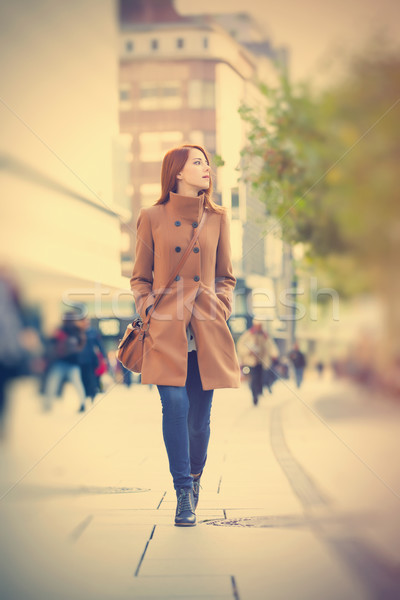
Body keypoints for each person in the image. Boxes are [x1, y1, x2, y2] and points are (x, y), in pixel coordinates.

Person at [130, 144, 241, 527]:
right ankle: (182, 493)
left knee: (199, 418)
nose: (207, 167)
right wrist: (149, 309)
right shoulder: (152, 216)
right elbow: (140, 278)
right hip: (166, 330)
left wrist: (220, 305)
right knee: (174, 408)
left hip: (206, 329)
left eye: (207, 162)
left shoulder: (218, 218)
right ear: (177, 172)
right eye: (198, 162)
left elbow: (226, 275)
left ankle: (195, 480)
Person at [44, 312, 86, 412]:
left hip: (70, 363)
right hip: (62, 362)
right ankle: (48, 404)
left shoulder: (76, 331)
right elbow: (52, 342)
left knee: (76, 384)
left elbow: (81, 345)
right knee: (53, 383)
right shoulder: (63, 330)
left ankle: (82, 404)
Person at [237, 320, 279, 404]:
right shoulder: (247, 335)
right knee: (254, 379)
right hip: (251, 362)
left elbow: (271, 346)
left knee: (260, 378)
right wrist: (248, 351)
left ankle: (259, 391)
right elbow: (240, 346)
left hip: (261, 362)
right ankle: (254, 394)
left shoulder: (265, 336)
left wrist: (274, 354)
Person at [77, 317, 109, 407]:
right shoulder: (78, 332)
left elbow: (100, 345)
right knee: (83, 379)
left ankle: (92, 394)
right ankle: (86, 395)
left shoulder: (93, 332)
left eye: (86, 322)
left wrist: (104, 357)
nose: (85, 323)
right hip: (80, 360)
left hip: (91, 360)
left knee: (92, 378)